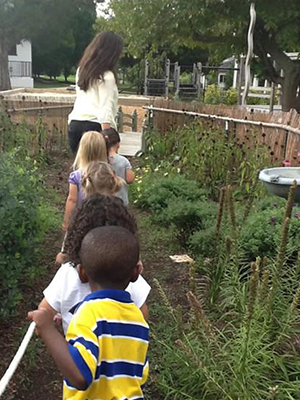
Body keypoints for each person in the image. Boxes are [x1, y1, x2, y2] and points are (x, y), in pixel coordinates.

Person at [29, 225, 149, 400]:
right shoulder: (139, 319)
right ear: (136, 272)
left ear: (82, 273)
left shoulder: (89, 313)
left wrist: (48, 329)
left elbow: (80, 376)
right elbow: (140, 377)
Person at [40, 195, 151, 333]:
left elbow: (43, 312)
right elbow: (143, 319)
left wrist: (51, 321)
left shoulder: (68, 274)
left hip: (74, 352)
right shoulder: (127, 273)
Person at [68, 31, 123, 153]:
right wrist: (109, 141)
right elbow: (105, 109)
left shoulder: (81, 72)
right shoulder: (106, 77)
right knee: (99, 171)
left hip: (75, 125)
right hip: (95, 128)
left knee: (82, 170)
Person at [61, 130, 108, 233]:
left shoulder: (76, 176)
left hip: (82, 220)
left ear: (82, 151)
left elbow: (72, 200)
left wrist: (66, 221)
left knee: (71, 245)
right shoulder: (108, 173)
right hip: (104, 219)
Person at [102, 127, 134, 206]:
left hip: (102, 201)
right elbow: (130, 180)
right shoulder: (123, 160)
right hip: (120, 201)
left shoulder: (99, 161)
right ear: (118, 144)